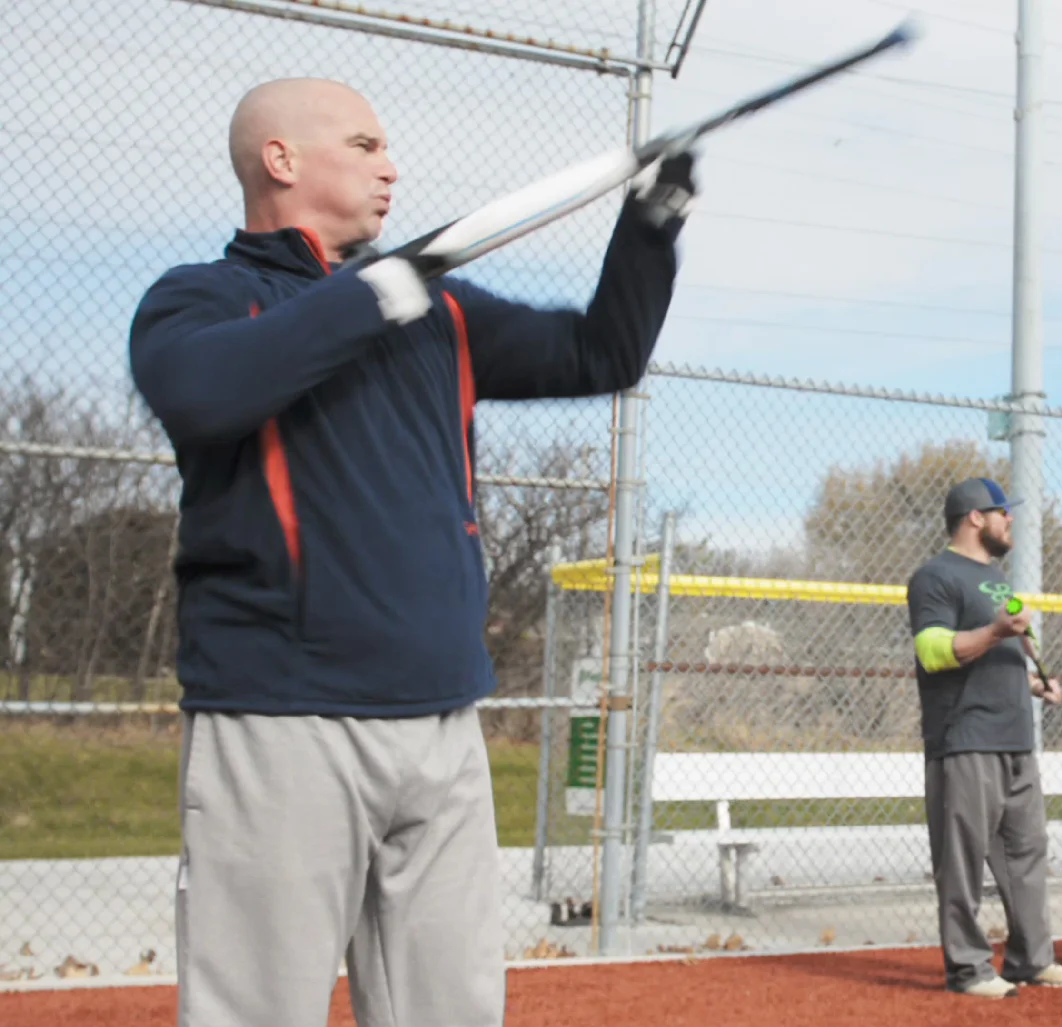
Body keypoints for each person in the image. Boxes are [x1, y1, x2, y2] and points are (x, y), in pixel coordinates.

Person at [127, 78, 694, 1027]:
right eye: (365, 145)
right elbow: (203, 393)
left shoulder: (438, 310)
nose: (391, 167)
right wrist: (372, 293)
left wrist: (653, 224)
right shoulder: (204, 298)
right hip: (283, 719)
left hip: (443, 721)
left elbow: (604, 352)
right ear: (281, 159)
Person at [903, 477, 1062, 999]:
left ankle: (1032, 959)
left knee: (1027, 853)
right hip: (966, 739)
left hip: (1015, 739)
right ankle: (968, 969)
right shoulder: (935, 576)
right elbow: (932, 651)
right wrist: (995, 632)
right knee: (961, 862)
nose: (1011, 520)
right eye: (1004, 511)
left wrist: (1035, 684)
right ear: (975, 517)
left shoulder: (996, 578)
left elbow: (996, 658)